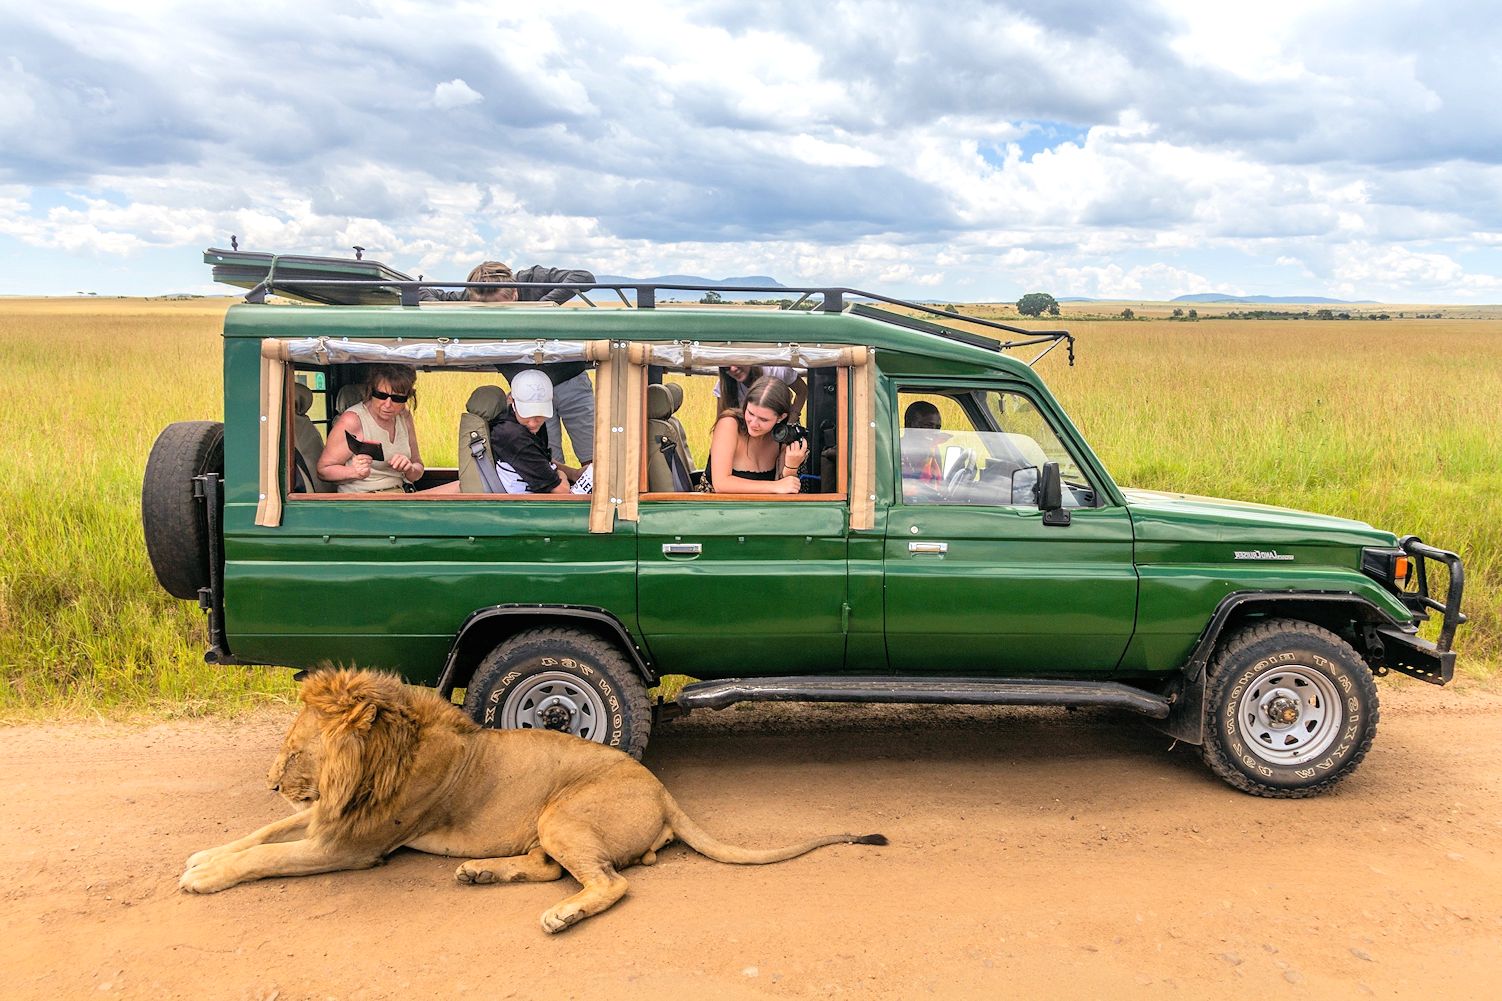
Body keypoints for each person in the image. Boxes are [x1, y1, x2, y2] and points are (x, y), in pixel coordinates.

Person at [424, 261, 597, 465]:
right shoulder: (469, 296)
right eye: (484, 313)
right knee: (547, 462)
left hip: (570, 383)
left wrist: (540, 310)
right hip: (526, 395)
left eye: (501, 310)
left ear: (514, 292)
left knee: (595, 458)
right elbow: (422, 293)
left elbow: (584, 277)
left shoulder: (532, 280)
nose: (493, 319)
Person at [317, 364, 442, 493]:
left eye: (397, 398)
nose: (388, 405)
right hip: (364, 500)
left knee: (460, 487)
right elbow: (323, 470)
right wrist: (354, 472)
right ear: (371, 392)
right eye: (381, 395)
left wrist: (409, 469)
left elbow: (417, 466)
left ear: (408, 397)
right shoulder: (353, 420)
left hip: (400, 494)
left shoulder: (404, 416)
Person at [489, 369, 589, 494]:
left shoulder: (516, 423)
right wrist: (561, 474)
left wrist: (574, 474)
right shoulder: (514, 437)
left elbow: (539, 460)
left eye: (540, 414)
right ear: (512, 401)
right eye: (527, 414)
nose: (533, 422)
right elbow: (560, 490)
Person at [704, 376, 808, 495]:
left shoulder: (782, 437)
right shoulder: (729, 424)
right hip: (715, 507)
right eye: (750, 413)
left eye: (763, 419)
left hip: (762, 510)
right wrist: (774, 486)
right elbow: (721, 484)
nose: (753, 424)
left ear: (781, 417)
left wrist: (791, 467)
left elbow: (785, 489)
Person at [714, 364, 807, 419]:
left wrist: (793, 416)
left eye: (737, 361)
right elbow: (721, 419)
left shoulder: (777, 370)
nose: (733, 369)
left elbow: (802, 390)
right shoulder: (724, 385)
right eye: (726, 367)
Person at [900, 400, 946, 501]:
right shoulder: (894, 450)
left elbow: (940, 488)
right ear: (911, 425)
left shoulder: (933, 452)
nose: (934, 432)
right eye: (928, 426)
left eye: (937, 428)